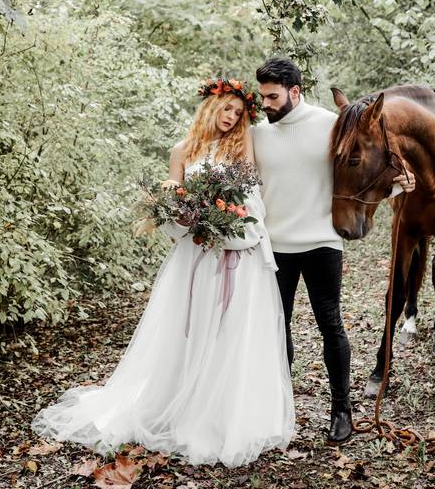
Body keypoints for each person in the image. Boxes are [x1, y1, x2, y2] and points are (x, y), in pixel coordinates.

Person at [31, 78, 294, 467]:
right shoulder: (182, 151)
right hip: (198, 255)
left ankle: (227, 413)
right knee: (193, 327)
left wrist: (231, 221)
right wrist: (187, 217)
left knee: (236, 327)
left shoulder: (242, 146)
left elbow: (253, 196)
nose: (232, 118)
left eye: (238, 113)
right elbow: (175, 207)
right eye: (226, 109)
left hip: (243, 253)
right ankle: (180, 403)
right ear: (210, 107)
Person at [252, 56, 414, 444]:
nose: (266, 104)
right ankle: (280, 408)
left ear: (295, 91)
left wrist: (396, 185)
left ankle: (342, 410)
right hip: (274, 247)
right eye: (263, 97)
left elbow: (363, 167)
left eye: (272, 96)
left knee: (331, 324)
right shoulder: (257, 134)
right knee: (277, 327)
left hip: (322, 242)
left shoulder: (330, 125)